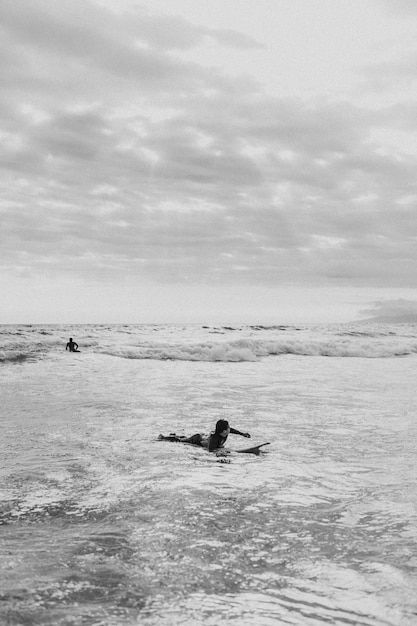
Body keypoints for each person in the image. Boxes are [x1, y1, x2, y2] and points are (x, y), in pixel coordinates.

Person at [159, 419, 250, 452]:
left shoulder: (224, 431)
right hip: (197, 439)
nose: (230, 429)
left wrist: (242, 434)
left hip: (203, 436)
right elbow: (210, 450)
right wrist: (221, 452)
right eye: (228, 428)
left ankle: (175, 435)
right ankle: (163, 437)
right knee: (181, 441)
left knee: (184, 438)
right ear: (223, 431)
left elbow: (233, 430)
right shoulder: (214, 439)